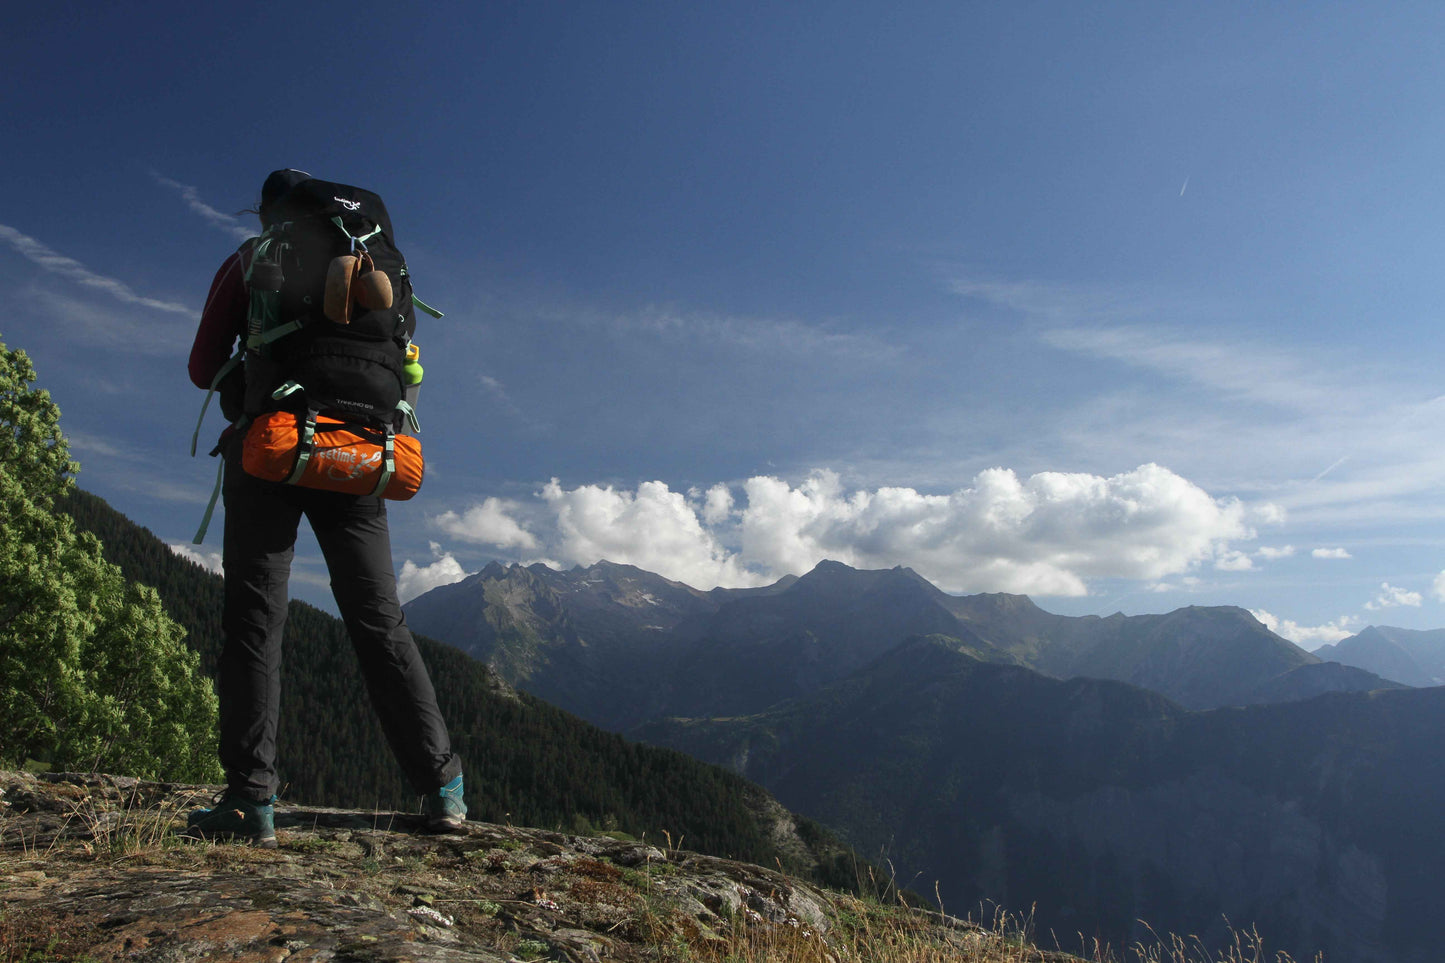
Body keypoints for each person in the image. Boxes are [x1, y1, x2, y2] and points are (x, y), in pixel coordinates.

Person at [185, 169, 465, 847]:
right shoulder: (384, 262)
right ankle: (443, 791)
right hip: (361, 457)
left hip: (272, 449)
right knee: (379, 620)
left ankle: (252, 799)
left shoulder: (250, 259)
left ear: (269, 212)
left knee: (256, 618)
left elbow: (201, 366)